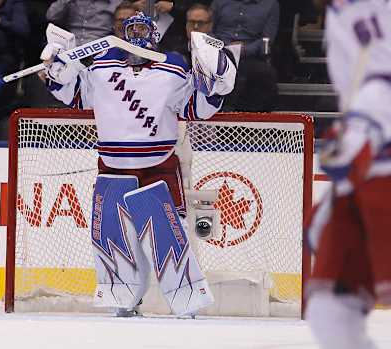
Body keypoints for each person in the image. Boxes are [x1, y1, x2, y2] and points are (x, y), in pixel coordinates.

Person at [40, 12, 238, 316]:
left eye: (143, 27)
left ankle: (186, 300)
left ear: (154, 33)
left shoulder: (172, 66)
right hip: (112, 166)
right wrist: (56, 71)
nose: (136, 33)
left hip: (157, 166)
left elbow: (196, 108)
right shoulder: (102, 65)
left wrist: (215, 86)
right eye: (130, 27)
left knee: (167, 233)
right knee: (112, 234)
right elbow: (75, 95)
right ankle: (123, 299)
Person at [305, 0, 391, 348]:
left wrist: (365, 124)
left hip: (379, 161)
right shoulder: (340, 11)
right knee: (330, 311)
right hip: (366, 164)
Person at [211, 0, 279, 111]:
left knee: (262, 73)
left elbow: (267, 39)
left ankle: (251, 117)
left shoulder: (271, 5)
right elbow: (209, 30)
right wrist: (223, 46)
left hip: (250, 55)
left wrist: (244, 50)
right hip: (218, 52)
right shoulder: (219, 2)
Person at [46, 0, 122, 46]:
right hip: (69, 44)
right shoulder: (72, 2)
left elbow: (122, 28)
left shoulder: (117, 3)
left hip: (101, 47)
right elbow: (51, 16)